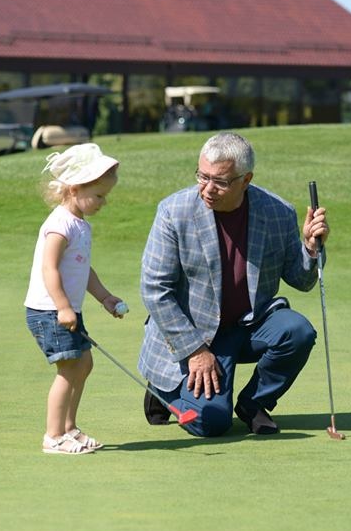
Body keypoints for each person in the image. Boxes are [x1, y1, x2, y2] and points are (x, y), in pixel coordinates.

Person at [138, 131, 330, 437]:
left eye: (221, 181)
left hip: (250, 326)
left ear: (246, 179)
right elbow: (154, 289)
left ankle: (254, 403)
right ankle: (164, 387)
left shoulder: (278, 212)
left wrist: (310, 247)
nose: (208, 188)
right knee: (210, 423)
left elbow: (302, 280)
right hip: (196, 333)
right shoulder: (173, 212)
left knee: (297, 331)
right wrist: (195, 351)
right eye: (202, 176)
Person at [24, 142, 125, 455]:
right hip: (50, 310)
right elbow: (49, 268)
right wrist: (64, 307)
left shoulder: (81, 224)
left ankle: (69, 429)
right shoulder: (59, 224)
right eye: (98, 195)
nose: (103, 202)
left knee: (84, 364)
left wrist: (104, 297)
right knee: (69, 369)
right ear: (74, 188)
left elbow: (83, 268)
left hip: (66, 310)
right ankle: (53, 436)